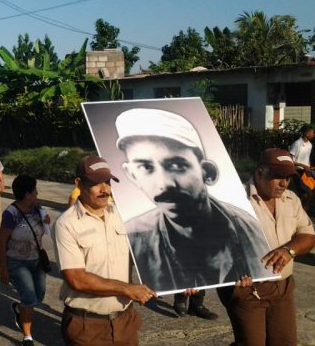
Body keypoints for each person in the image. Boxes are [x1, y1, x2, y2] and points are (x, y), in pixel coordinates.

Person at [115, 108, 270, 294]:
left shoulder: (248, 228)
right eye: (146, 167)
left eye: (177, 165)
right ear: (132, 175)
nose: (164, 184)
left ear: (208, 172)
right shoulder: (134, 236)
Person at [201, 148, 315, 346]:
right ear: (260, 172)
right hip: (247, 288)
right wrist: (230, 272)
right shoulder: (233, 200)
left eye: (289, 177)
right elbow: (211, 247)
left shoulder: (291, 200)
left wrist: (290, 251)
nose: (284, 183)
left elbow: (308, 235)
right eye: (278, 177)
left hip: (282, 287)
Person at [48, 156, 157, 346]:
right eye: (96, 183)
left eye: (108, 182)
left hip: (123, 320)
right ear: (79, 183)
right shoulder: (66, 225)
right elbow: (76, 278)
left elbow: (153, 247)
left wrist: (187, 281)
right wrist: (127, 289)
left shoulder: (123, 215)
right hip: (87, 324)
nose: (104, 189)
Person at [0, 175, 50, 346]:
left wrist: (46, 218)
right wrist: (3, 268)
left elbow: (47, 225)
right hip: (17, 261)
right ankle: (27, 338)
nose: (37, 193)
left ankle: (20, 309)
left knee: (39, 295)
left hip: (37, 260)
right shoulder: (11, 214)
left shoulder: (37, 209)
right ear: (27, 194)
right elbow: (2, 241)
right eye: (34, 191)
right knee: (29, 297)